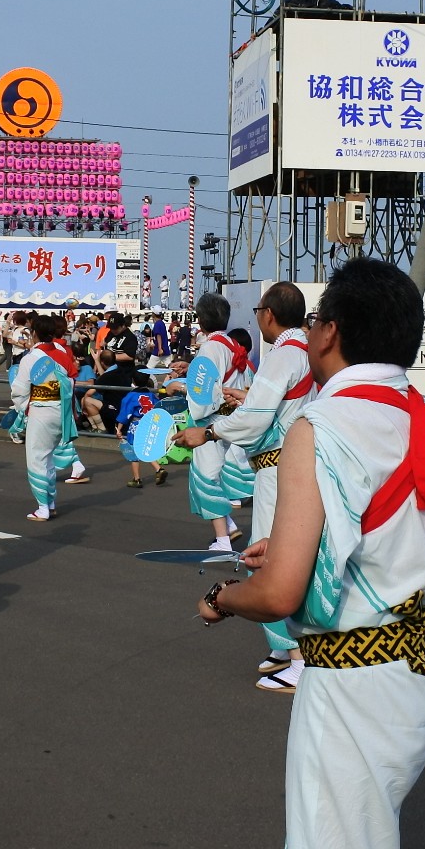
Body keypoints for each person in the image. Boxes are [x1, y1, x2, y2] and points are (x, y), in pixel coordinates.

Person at [193, 258, 425, 849]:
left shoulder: (322, 426)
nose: (309, 330)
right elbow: (409, 534)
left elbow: (282, 590)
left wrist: (225, 597)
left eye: (315, 319)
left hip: (356, 677)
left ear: (330, 332)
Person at [176, 282, 315, 688]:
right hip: (289, 463)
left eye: (258, 310)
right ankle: (280, 644)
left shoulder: (282, 354)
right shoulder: (304, 352)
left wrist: (210, 432)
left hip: (276, 468)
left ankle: (299, 657)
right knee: (279, 553)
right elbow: (277, 405)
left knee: (271, 560)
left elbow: (256, 419)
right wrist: (247, 398)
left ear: (268, 314)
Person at [184, 293, 251, 553]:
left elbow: (203, 394)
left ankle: (223, 540)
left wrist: (184, 389)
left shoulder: (210, 347)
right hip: (230, 417)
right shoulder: (232, 345)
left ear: (201, 319)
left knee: (205, 476)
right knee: (216, 474)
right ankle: (230, 525)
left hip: (210, 421)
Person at [10, 312, 84, 521]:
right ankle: (49, 503)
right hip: (61, 411)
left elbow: (20, 391)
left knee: (37, 459)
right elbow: (70, 381)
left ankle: (43, 506)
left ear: (34, 333)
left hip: (40, 410)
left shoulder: (31, 359)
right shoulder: (62, 353)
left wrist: (25, 410)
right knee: (48, 458)